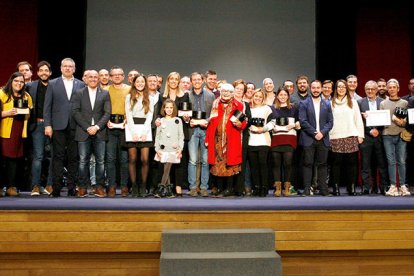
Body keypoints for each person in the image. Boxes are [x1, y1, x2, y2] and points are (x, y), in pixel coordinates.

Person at [44, 58, 85, 197]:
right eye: (65, 66)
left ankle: (71, 188)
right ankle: (56, 188)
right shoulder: (52, 83)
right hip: (57, 125)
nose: (68, 68)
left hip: (76, 126)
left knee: (74, 158)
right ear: (61, 68)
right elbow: (47, 106)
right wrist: (48, 125)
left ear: (74, 69)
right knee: (58, 157)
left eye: (70, 66)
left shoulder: (81, 84)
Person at [72, 70, 111, 197]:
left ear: (99, 79)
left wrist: (97, 126)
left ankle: (99, 187)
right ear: (86, 79)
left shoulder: (105, 93)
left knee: (100, 161)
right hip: (83, 131)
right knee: (83, 161)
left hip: (100, 132)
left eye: (96, 77)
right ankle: (82, 187)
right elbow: (76, 112)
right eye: (91, 77)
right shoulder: (79, 93)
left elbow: (107, 113)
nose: (93, 79)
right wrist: (88, 127)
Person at [206, 83, 246, 196]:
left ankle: (228, 189)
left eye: (228, 92)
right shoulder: (215, 104)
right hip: (217, 139)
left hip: (232, 139)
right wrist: (208, 137)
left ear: (232, 93)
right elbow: (212, 122)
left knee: (230, 164)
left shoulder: (238, 105)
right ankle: (219, 188)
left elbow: (244, 122)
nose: (226, 94)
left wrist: (240, 124)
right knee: (218, 164)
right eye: (224, 91)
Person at [329, 79, 364, 196]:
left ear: (346, 89)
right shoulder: (330, 103)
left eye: (343, 87)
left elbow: (358, 119)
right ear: (336, 89)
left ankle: (352, 187)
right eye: (339, 87)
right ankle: (336, 187)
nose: (341, 89)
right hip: (335, 136)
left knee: (352, 163)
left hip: (351, 135)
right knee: (336, 164)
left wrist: (360, 135)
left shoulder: (353, 102)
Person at [0, 72, 33, 196]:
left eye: (21, 82)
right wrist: (6, 113)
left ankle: (10, 187)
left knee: (13, 160)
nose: (19, 84)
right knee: (2, 159)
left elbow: (30, 113)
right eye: (16, 81)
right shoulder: (2, 93)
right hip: (3, 131)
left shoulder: (26, 96)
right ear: (11, 81)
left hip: (18, 132)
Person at [298, 80, 333, 196]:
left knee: (323, 165)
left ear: (321, 89)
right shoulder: (304, 103)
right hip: (309, 138)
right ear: (310, 88)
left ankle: (324, 190)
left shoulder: (327, 104)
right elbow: (303, 121)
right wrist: (314, 133)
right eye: (314, 88)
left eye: (318, 88)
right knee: (308, 164)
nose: (316, 90)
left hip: (323, 138)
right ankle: (307, 189)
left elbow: (330, 122)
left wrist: (322, 133)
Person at [185, 72, 215, 197]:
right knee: (192, 160)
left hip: (205, 130)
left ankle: (203, 187)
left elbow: (214, 113)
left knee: (205, 160)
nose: (197, 81)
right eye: (194, 80)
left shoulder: (210, 95)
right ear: (191, 82)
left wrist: (206, 121)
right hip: (191, 130)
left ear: (202, 81)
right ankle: (192, 187)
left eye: (199, 79)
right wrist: (187, 119)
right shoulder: (187, 95)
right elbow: (183, 113)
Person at [124, 74, 154, 197]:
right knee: (132, 159)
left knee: (145, 159)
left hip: (145, 130)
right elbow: (129, 115)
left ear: (145, 83)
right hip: (132, 130)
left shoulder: (150, 97)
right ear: (134, 83)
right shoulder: (129, 97)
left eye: (142, 81)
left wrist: (143, 132)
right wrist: (134, 132)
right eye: (138, 81)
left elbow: (150, 116)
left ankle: (143, 185)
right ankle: (134, 185)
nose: (140, 83)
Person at [26, 61, 53, 196]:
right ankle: (35, 185)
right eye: (41, 70)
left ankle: (49, 185)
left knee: (53, 157)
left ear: (50, 73)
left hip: (54, 126)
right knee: (38, 156)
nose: (44, 72)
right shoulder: (30, 86)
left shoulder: (55, 86)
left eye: (46, 70)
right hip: (37, 125)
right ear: (37, 73)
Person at [380, 79, 410, 196]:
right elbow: (381, 121)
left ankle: (402, 185)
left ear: (398, 88)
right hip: (387, 135)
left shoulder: (404, 103)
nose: (392, 89)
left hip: (401, 135)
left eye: (394, 87)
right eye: (390, 87)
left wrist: (396, 120)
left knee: (402, 161)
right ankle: (393, 186)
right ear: (387, 89)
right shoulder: (383, 103)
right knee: (391, 161)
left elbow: (405, 122)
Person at [358, 80, 388, 195]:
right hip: (366, 137)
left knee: (382, 164)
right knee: (365, 164)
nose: (370, 91)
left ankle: (383, 187)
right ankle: (366, 187)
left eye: (372, 89)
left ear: (376, 90)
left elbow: (386, 119)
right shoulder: (359, 103)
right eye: (367, 89)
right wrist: (370, 130)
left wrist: (378, 131)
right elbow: (358, 121)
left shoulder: (383, 102)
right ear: (365, 90)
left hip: (379, 137)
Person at [162, 72, 190, 194]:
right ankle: (167, 185)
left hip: (179, 131)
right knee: (166, 160)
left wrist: (187, 118)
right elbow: (159, 113)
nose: (173, 81)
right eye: (171, 79)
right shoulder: (162, 96)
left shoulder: (184, 96)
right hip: (165, 132)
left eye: (176, 79)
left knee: (179, 159)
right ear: (168, 81)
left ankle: (178, 185)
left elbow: (187, 112)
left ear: (179, 82)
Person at [270, 86, 300, 197]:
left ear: (288, 96)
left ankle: (287, 187)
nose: (283, 97)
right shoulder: (272, 108)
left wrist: (295, 125)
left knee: (288, 163)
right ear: (277, 96)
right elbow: (269, 123)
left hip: (289, 139)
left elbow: (299, 123)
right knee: (276, 164)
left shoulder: (293, 108)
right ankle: (277, 188)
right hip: (276, 139)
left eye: (285, 95)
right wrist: (273, 127)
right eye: (281, 95)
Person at [106, 66, 130, 197]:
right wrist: (105, 122)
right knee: (110, 159)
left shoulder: (129, 89)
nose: (117, 76)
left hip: (125, 129)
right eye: (114, 75)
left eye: (119, 74)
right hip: (109, 128)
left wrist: (127, 121)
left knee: (124, 159)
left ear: (123, 76)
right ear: (110, 77)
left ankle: (125, 186)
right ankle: (112, 186)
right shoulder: (105, 90)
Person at [154, 99, 184, 198]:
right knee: (166, 167)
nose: (169, 109)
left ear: (174, 108)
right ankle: (168, 190)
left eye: (171, 107)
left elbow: (181, 136)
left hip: (174, 150)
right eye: (167, 107)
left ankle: (161, 188)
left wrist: (180, 148)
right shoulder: (161, 121)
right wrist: (157, 149)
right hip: (163, 149)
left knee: (168, 166)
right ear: (164, 108)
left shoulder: (178, 120)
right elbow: (157, 136)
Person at [248, 89, 274, 197]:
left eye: (260, 97)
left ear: (263, 98)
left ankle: (264, 187)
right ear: (252, 97)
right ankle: (256, 187)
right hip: (251, 141)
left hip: (263, 140)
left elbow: (272, 122)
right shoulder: (248, 109)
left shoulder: (267, 109)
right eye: (256, 96)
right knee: (253, 166)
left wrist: (263, 129)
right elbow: (245, 122)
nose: (257, 98)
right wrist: (250, 128)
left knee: (263, 165)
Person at [232, 79, 252, 196]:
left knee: (242, 163)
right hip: (231, 136)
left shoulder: (246, 105)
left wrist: (242, 124)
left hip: (242, 136)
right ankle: (230, 187)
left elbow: (248, 119)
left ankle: (239, 188)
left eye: (241, 89)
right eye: (237, 89)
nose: (239, 91)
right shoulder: (229, 103)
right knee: (231, 163)